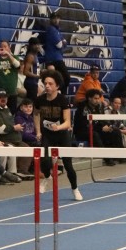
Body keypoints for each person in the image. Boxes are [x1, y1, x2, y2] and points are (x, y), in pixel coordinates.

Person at [35, 72, 82, 200]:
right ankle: (47, 177)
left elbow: (67, 122)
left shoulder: (62, 100)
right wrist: (38, 131)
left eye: (50, 84)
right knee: (44, 160)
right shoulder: (39, 100)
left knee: (68, 165)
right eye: (45, 83)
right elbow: (36, 114)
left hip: (62, 134)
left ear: (57, 86)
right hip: (47, 134)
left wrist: (59, 127)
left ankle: (75, 188)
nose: (47, 86)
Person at [0, 89, 33, 178]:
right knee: (11, 149)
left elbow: (10, 123)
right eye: (0, 97)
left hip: (15, 138)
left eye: (5, 97)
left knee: (27, 149)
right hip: (3, 140)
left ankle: (22, 172)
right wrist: (13, 128)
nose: (3, 99)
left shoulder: (6, 108)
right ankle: (7, 174)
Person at [39, 12, 69, 91]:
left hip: (56, 58)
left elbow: (64, 43)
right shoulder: (52, 30)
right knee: (66, 78)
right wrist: (63, 42)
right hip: (54, 59)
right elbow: (60, 45)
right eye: (54, 18)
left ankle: (58, 93)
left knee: (59, 79)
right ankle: (58, 93)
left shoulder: (57, 30)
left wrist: (63, 42)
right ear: (50, 20)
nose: (56, 20)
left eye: (57, 18)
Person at [0, 40, 25, 112]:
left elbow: (17, 65)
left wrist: (8, 54)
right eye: (1, 46)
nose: (3, 48)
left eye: (5, 46)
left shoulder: (15, 57)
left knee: (11, 112)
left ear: (9, 48)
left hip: (11, 91)